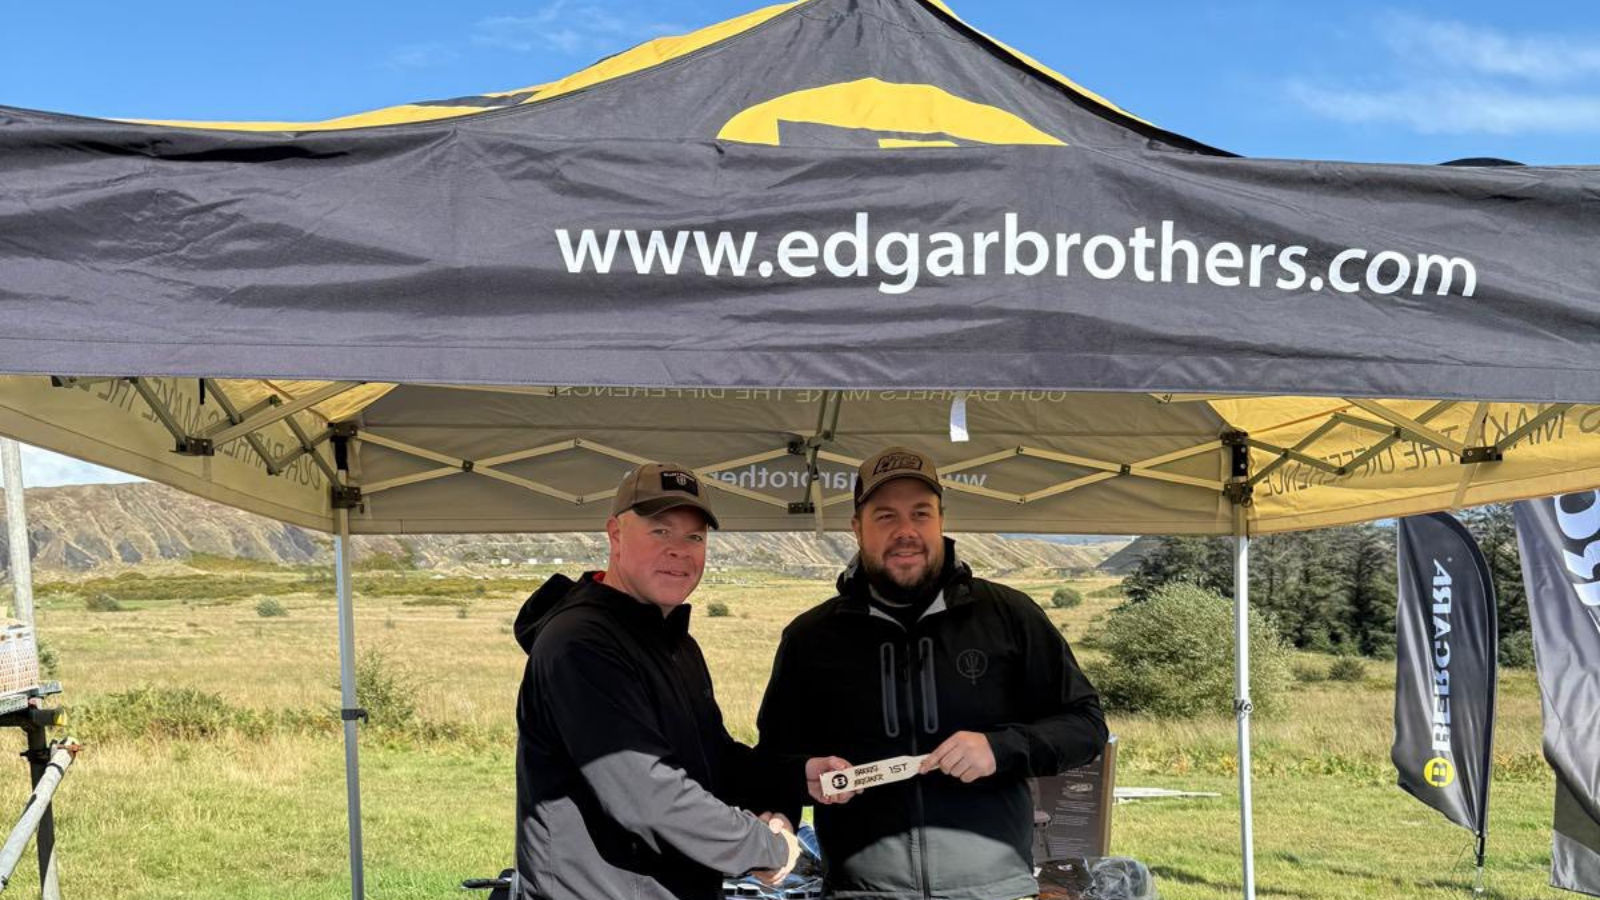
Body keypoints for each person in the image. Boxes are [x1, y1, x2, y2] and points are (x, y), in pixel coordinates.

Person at [755, 446, 1108, 900]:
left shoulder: (1009, 616)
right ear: (857, 529)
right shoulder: (811, 638)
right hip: (860, 892)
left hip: (995, 890)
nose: (906, 531)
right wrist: (782, 810)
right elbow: (774, 760)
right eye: (885, 517)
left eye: (920, 514)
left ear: (941, 520)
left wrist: (1000, 748)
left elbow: (1086, 725)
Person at [512, 461, 801, 900]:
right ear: (615, 534)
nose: (679, 550)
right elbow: (646, 793)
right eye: (660, 531)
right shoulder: (581, 644)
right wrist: (763, 847)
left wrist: (798, 777)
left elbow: (713, 760)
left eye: (695, 537)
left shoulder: (674, 645)